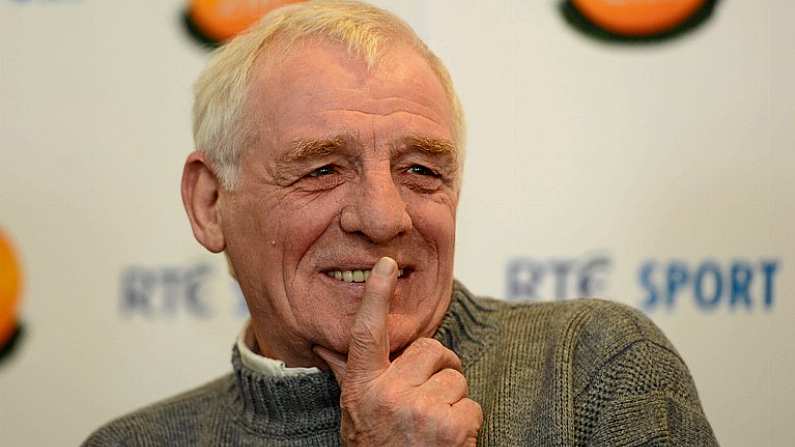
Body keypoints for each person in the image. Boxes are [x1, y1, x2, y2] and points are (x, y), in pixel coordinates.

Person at [84, 1, 718, 445]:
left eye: (420, 170)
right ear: (209, 203)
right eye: (322, 169)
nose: (385, 218)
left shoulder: (591, 371)